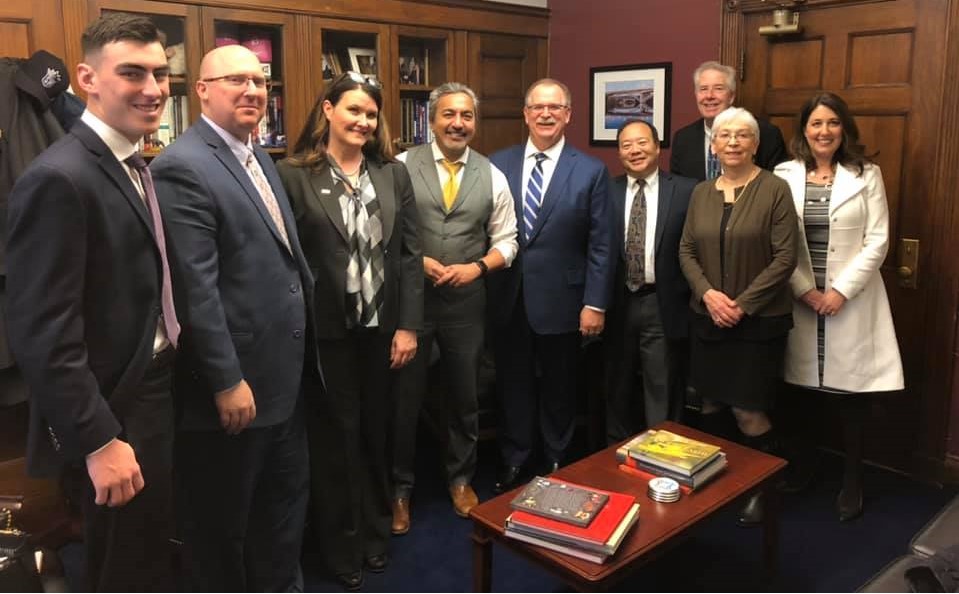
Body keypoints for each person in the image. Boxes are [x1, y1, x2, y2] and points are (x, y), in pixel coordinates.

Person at [5, 13, 178, 591]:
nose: (153, 88)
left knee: (151, 555)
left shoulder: (129, 160)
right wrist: (100, 440)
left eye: (161, 73)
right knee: (123, 570)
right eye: (133, 72)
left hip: (151, 391)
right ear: (87, 78)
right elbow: (41, 331)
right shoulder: (59, 176)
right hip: (112, 413)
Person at [151, 45, 315, 591]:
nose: (251, 91)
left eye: (259, 81)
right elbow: (196, 291)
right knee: (221, 530)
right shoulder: (182, 165)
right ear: (201, 89)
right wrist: (226, 380)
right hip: (235, 391)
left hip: (282, 381)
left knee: (282, 514)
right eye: (235, 80)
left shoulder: (258, 154)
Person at [276, 71, 422, 591]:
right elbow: (287, 261)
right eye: (353, 110)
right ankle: (340, 547)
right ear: (328, 110)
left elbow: (408, 254)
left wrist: (409, 326)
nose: (363, 120)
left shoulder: (391, 174)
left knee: (377, 435)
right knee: (335, 442)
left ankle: (377, 535)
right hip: (329, 335)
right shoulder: (293, 174)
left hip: (382, 331)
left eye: (371, 113)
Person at [392, 82, 518, 530]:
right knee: (404, 401)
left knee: (465, 397)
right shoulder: (403, 165)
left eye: (466, 115)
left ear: (474, 123)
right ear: (432, 119)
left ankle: (460, 479)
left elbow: (508, 240)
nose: (457, 123)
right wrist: (416, 261)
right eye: (449, 114)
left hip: (466, 303)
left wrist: (479, 268)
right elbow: (384, 228)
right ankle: (399, 490)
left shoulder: (492, 174)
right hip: (411, 304)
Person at [774, 92, 903, 521]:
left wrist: (840, 291)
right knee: (802, 393)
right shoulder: (783, 174)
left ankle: (852, 479)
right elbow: (777, 243)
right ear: (803, 130)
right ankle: (806, 465)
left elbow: (878, 239)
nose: (823, 131)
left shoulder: (866, 174)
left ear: (843, 128)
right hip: (801, 298)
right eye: (815, 124)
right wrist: (804, 290)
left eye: (832, 122)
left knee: (851, 397)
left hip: (851, 300)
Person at [488, 78, 612, 493]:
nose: (545, 114)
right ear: (525, 114)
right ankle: (516, 457)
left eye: (555, 107)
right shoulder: (497, 165)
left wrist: (595, 303)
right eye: (538, 107)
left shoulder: (591, 170)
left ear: (568, 115)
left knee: (559, 385)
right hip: (508, 297)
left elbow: (601, 245)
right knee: (513, 383)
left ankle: (557, 456)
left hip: (565, 300)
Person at [678, 106, 798, 525]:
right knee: (710, 405)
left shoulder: (775, 189)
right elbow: (686, 250)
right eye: (724, 135)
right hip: (707, 316)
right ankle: (722, 483)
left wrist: (742, 304)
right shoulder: (701, 193)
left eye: (741, 135)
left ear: (755, 144)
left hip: (758, 322)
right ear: (713, 145)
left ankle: (763, 488)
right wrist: (709, 295)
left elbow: (786, 258)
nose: (732, 142)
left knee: (749, 409)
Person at [605, 119, 697, 443]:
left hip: (662, 302)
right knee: (615, 385)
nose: (635, 150)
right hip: (616, 303)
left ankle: (662, 454)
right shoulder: (606, 191)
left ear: (657, 147)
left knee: (662, 384)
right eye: (626, 145)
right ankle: (614, 454)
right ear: (618, 152)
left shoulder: (687, 191)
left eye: (642, 142)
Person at [670, 61, 787, 181]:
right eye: (703, 89)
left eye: (718, 88)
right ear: (696, 95)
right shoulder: (683, 139)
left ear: (731, 96)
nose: (709, 95)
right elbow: (678, 189)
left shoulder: (767, 134)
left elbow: (777, 188)